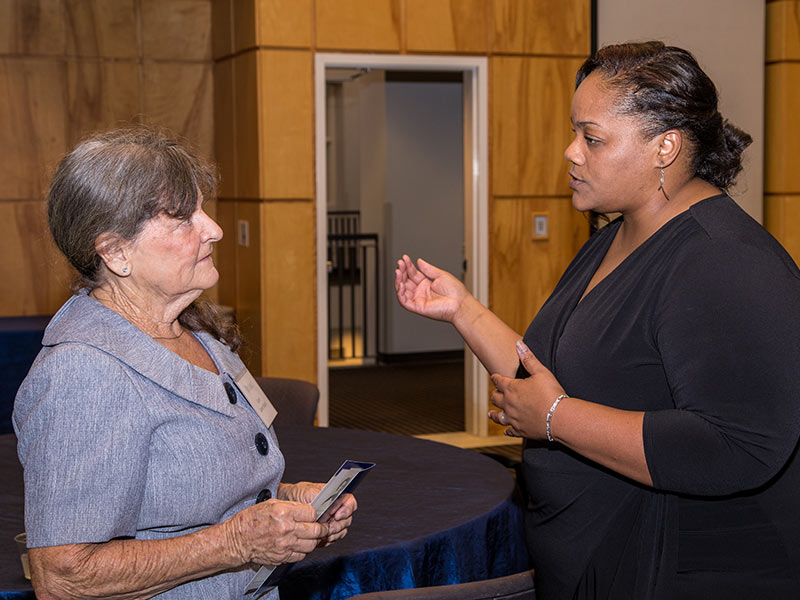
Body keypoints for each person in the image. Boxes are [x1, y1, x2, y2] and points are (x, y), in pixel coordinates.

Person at [395, 41, 800, 599]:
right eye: (574, 133)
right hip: (592, 554)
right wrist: (464, 310)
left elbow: (739, 444)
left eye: (592, 138)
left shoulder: (724, 259)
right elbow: (546, 374)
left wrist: (557, 418)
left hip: (677, 568)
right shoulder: (614, 236)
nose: (571, 152)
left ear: (666, 147)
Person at [13, 127, 357, 599]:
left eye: (202, 209)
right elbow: (65, 577)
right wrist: (238, 541)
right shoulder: (83, 372)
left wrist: (287, 503)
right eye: (182, 218)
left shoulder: (197, 331)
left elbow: (196, 491)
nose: (213, 229)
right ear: (115, 252)